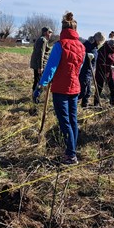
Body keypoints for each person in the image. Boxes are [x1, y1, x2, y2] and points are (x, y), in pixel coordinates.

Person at [32, 12, 85, 165]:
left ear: (62, 29)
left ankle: (70, 155)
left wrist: (40, 86)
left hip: (61, 89)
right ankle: (72, 151)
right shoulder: (81, 46)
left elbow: (51, 68)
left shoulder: (60, 45)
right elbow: (79, 69)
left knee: (65, 122)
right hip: (75, 88)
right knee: (73, 120)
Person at [79, 32, 106, 108]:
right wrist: (86, 56)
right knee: (82, 92)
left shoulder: (95, 47)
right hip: (84, 71)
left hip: (90, 72)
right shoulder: (87, 45)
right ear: (98, 40)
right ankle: (70, 104)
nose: (100, 43)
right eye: (100, 42)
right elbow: (81, 56)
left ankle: (84, 106)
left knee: (88, 92)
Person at [95, 39, 114, 106]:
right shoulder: (102, 51)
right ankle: (96, 104)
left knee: (113, 88)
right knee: (99, 88)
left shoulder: (112, 50)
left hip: (110, 72)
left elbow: (113, 60)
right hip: (101, 72)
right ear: (110, 45)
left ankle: (112, 104)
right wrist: (109, 67)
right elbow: (99, 64)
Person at [29, 27, 53, 92]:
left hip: (38, 64)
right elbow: (40, 54)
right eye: (49, 32)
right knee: (39, 81)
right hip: (39, 65)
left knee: (37, 80)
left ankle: (35, 95)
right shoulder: (43, 40)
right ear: (45, 32)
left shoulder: (41, 39)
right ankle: (35, 97)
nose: (51, 34)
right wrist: (40, 67)